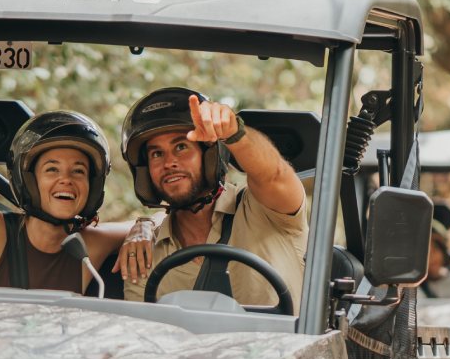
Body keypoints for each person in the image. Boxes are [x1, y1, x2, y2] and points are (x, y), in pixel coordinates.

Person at [114, 88, 307, 308]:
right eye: (157, 154)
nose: (169, 162)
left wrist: (235, 133)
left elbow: (273, 174)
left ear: (210, 156)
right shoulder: (143, 254)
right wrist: (143, 225)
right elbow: (145, 333)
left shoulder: (263, 210)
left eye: (181, 147)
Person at [0, 111, 126, 294]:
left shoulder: (88, 245)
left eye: (78, 171)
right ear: (28, 181)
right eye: (52, 169)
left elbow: (153, 223)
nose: (66, 179)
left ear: (91, 186)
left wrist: (144, 227)